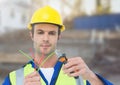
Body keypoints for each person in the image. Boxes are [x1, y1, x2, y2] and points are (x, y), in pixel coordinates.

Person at [2, 5, 113, 85]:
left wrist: (91, 77)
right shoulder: (15, 78)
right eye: (40, 32)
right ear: (32, 35)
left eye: (52, 33)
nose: (45, 39)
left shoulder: (78, 73)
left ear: (59, 36)